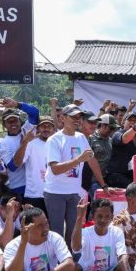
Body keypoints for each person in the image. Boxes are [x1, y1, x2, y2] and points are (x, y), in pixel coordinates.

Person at [44, 104, 109, 249]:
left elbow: (92, 160)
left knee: (73, 232)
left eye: (79, 117)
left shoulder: (81, 138)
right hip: (55, 192)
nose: (77, 120)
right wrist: (78, 160)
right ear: (62, 118)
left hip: (75, 192)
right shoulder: (54, 140)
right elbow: (55, 169)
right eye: (73, 116)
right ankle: (58, 266)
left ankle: (71, 263)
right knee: (57, 233)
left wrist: (103, 185)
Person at [72, 198, 133, 271]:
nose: (103, 219)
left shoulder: (116, 232)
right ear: (92, 216)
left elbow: (122, 256)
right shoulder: (85, 232)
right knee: (72, 267)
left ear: (112, 217)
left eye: (107, 216)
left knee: (123, 266)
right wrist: (79, 217)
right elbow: (75, 248)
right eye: (99, 216)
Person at [13, 116, 56, 213]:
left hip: (54, 194)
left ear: (54, 129)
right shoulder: (30, 143)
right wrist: (24, 142)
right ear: (37, 128)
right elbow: (16, 163)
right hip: (34, 195)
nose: (46, 129)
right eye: (43, 126)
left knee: (53, 227)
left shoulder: (58, 144)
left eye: (49, 126)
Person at [0, 97, 41, 196]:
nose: (13, 124)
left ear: (19, 121)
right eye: (9, 122)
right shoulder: (3, 143)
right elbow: (13, 166)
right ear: (4, 125)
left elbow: (35, 112)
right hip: (20, 187)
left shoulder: (27, 129)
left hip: (37, 183)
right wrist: (24, 143)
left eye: (15, 120)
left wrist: (17, 104)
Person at [106, 112, 136, 188]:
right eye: (130, 120)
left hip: (132, 176)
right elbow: (125, 139)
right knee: (134, 188)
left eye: (135, 121)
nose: (132, 122)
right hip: (116, 175)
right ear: (124, 122)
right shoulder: (117, 134)